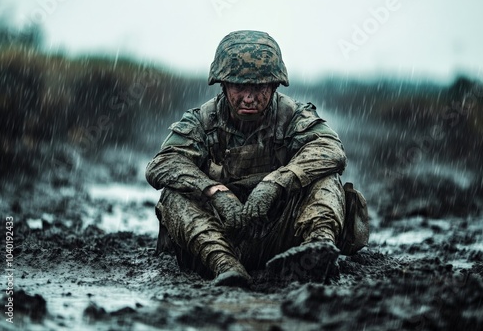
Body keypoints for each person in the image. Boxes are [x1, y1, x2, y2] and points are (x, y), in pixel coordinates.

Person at [146, 30, 349, 287]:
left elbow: (331, 150)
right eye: (240, 86)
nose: (250, 98)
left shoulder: (292, 117)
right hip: (219, 235)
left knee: (326, 179)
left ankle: (317, 250)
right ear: (223, 84)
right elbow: (163, 164)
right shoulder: (203, 121)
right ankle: (226, 266)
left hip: (280, 235)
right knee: (173, 195)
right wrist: (214, 191)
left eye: (259, 87)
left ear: (274, 86)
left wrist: (276, 182)